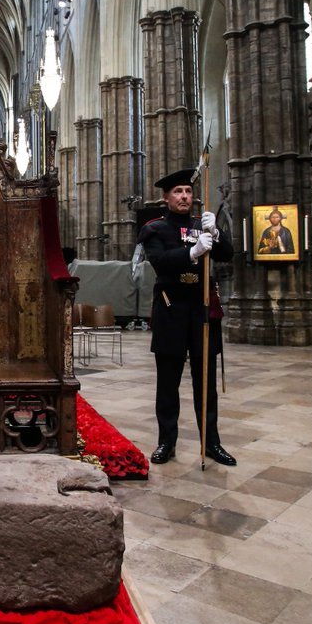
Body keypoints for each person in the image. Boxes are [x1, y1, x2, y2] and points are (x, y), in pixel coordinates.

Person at [139, 168, 235, 466]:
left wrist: (216, 234)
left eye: (188, 192)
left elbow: (227, 255)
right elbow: (160, 262)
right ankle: (166, 443)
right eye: (178, 192)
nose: (185, 197)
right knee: (168, 383)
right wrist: (192, 252)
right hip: (171, 309)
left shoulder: (201, 224)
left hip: (201, 310)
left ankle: (212, 443)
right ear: (166, 198)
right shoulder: (155, 229)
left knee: (204, 382)